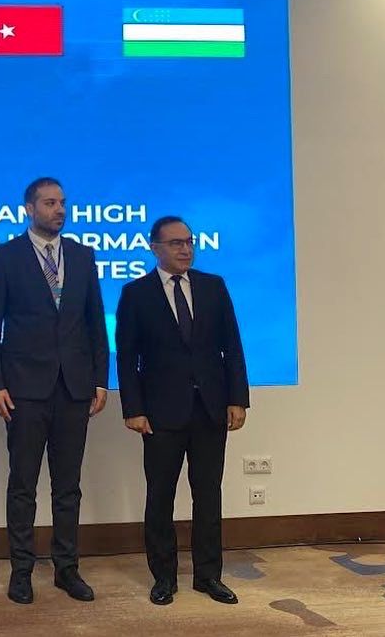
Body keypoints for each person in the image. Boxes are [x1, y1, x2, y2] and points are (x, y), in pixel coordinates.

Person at [0, 177, 109, 605]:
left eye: (63, 202)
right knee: (23, 485)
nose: (60, 210)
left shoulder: (82, 255)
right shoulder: (5, 257)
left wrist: (99, 379)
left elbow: (95, 322)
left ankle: (67, 568)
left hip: (74, 387)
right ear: (29, 209)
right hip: (24, 388)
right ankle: (21, 571)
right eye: (50, 203)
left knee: (68, 486)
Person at [115, 215, 250, 606]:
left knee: (208, 495)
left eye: (189, 241)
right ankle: (164, 577)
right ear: (155, 248)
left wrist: (237, 398)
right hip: (160, 413)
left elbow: (232, 347)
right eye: (175, 243)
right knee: (160, 496)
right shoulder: (136, 294)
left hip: (210, 408)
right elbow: (127, 358)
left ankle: (209, 576)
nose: (185, 249)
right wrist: (133, 408)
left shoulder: (213, 286)